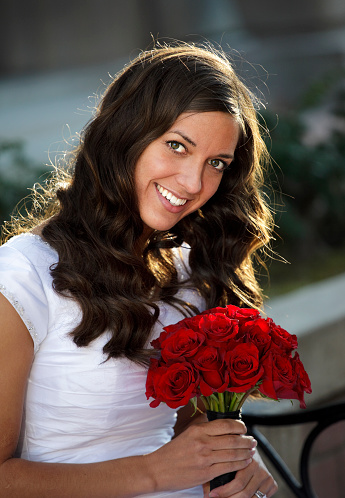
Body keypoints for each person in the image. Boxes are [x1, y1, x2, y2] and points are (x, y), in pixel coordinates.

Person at [0, 42, 278, 498]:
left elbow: (183, 433)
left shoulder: (188, 274)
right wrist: (151, 473)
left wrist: (231, 463)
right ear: (125, 134)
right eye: (176, 146)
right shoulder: (24, 277)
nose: (193, 184)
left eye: (216, 164)